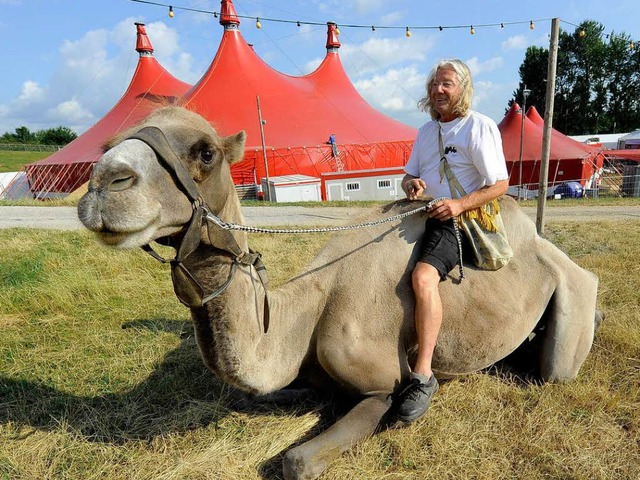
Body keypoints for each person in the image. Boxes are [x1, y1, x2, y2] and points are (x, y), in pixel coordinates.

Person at [398, 59, 509, 422]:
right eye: (434, 84)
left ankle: (423, 375)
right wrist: (411, 185)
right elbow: (410, 175)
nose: (438, 91)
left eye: (447, 84)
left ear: (463, 89)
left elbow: (499, 185)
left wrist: (459, 204)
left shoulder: (479, 126)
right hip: (421, 210)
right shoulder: (426, 132)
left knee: (423, 278)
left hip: (457, 220)